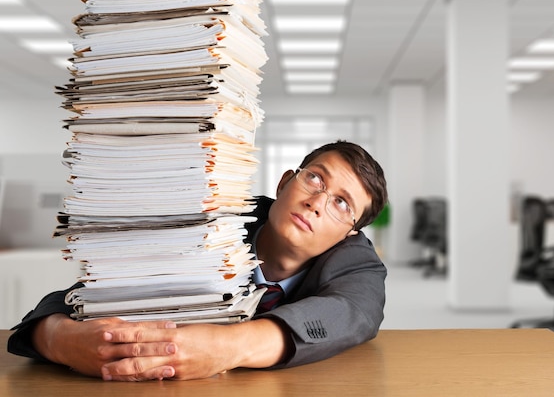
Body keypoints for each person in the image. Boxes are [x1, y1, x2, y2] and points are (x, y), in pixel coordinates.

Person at [7, 140, 388, 381]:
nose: (317, 203)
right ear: (285, 182)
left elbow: (355, 312)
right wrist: (59, 338)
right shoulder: (213, 218)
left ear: (350, 233)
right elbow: (82, 295)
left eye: (342, 203)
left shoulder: (357, 260)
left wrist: (231, 346)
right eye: (315, 180)